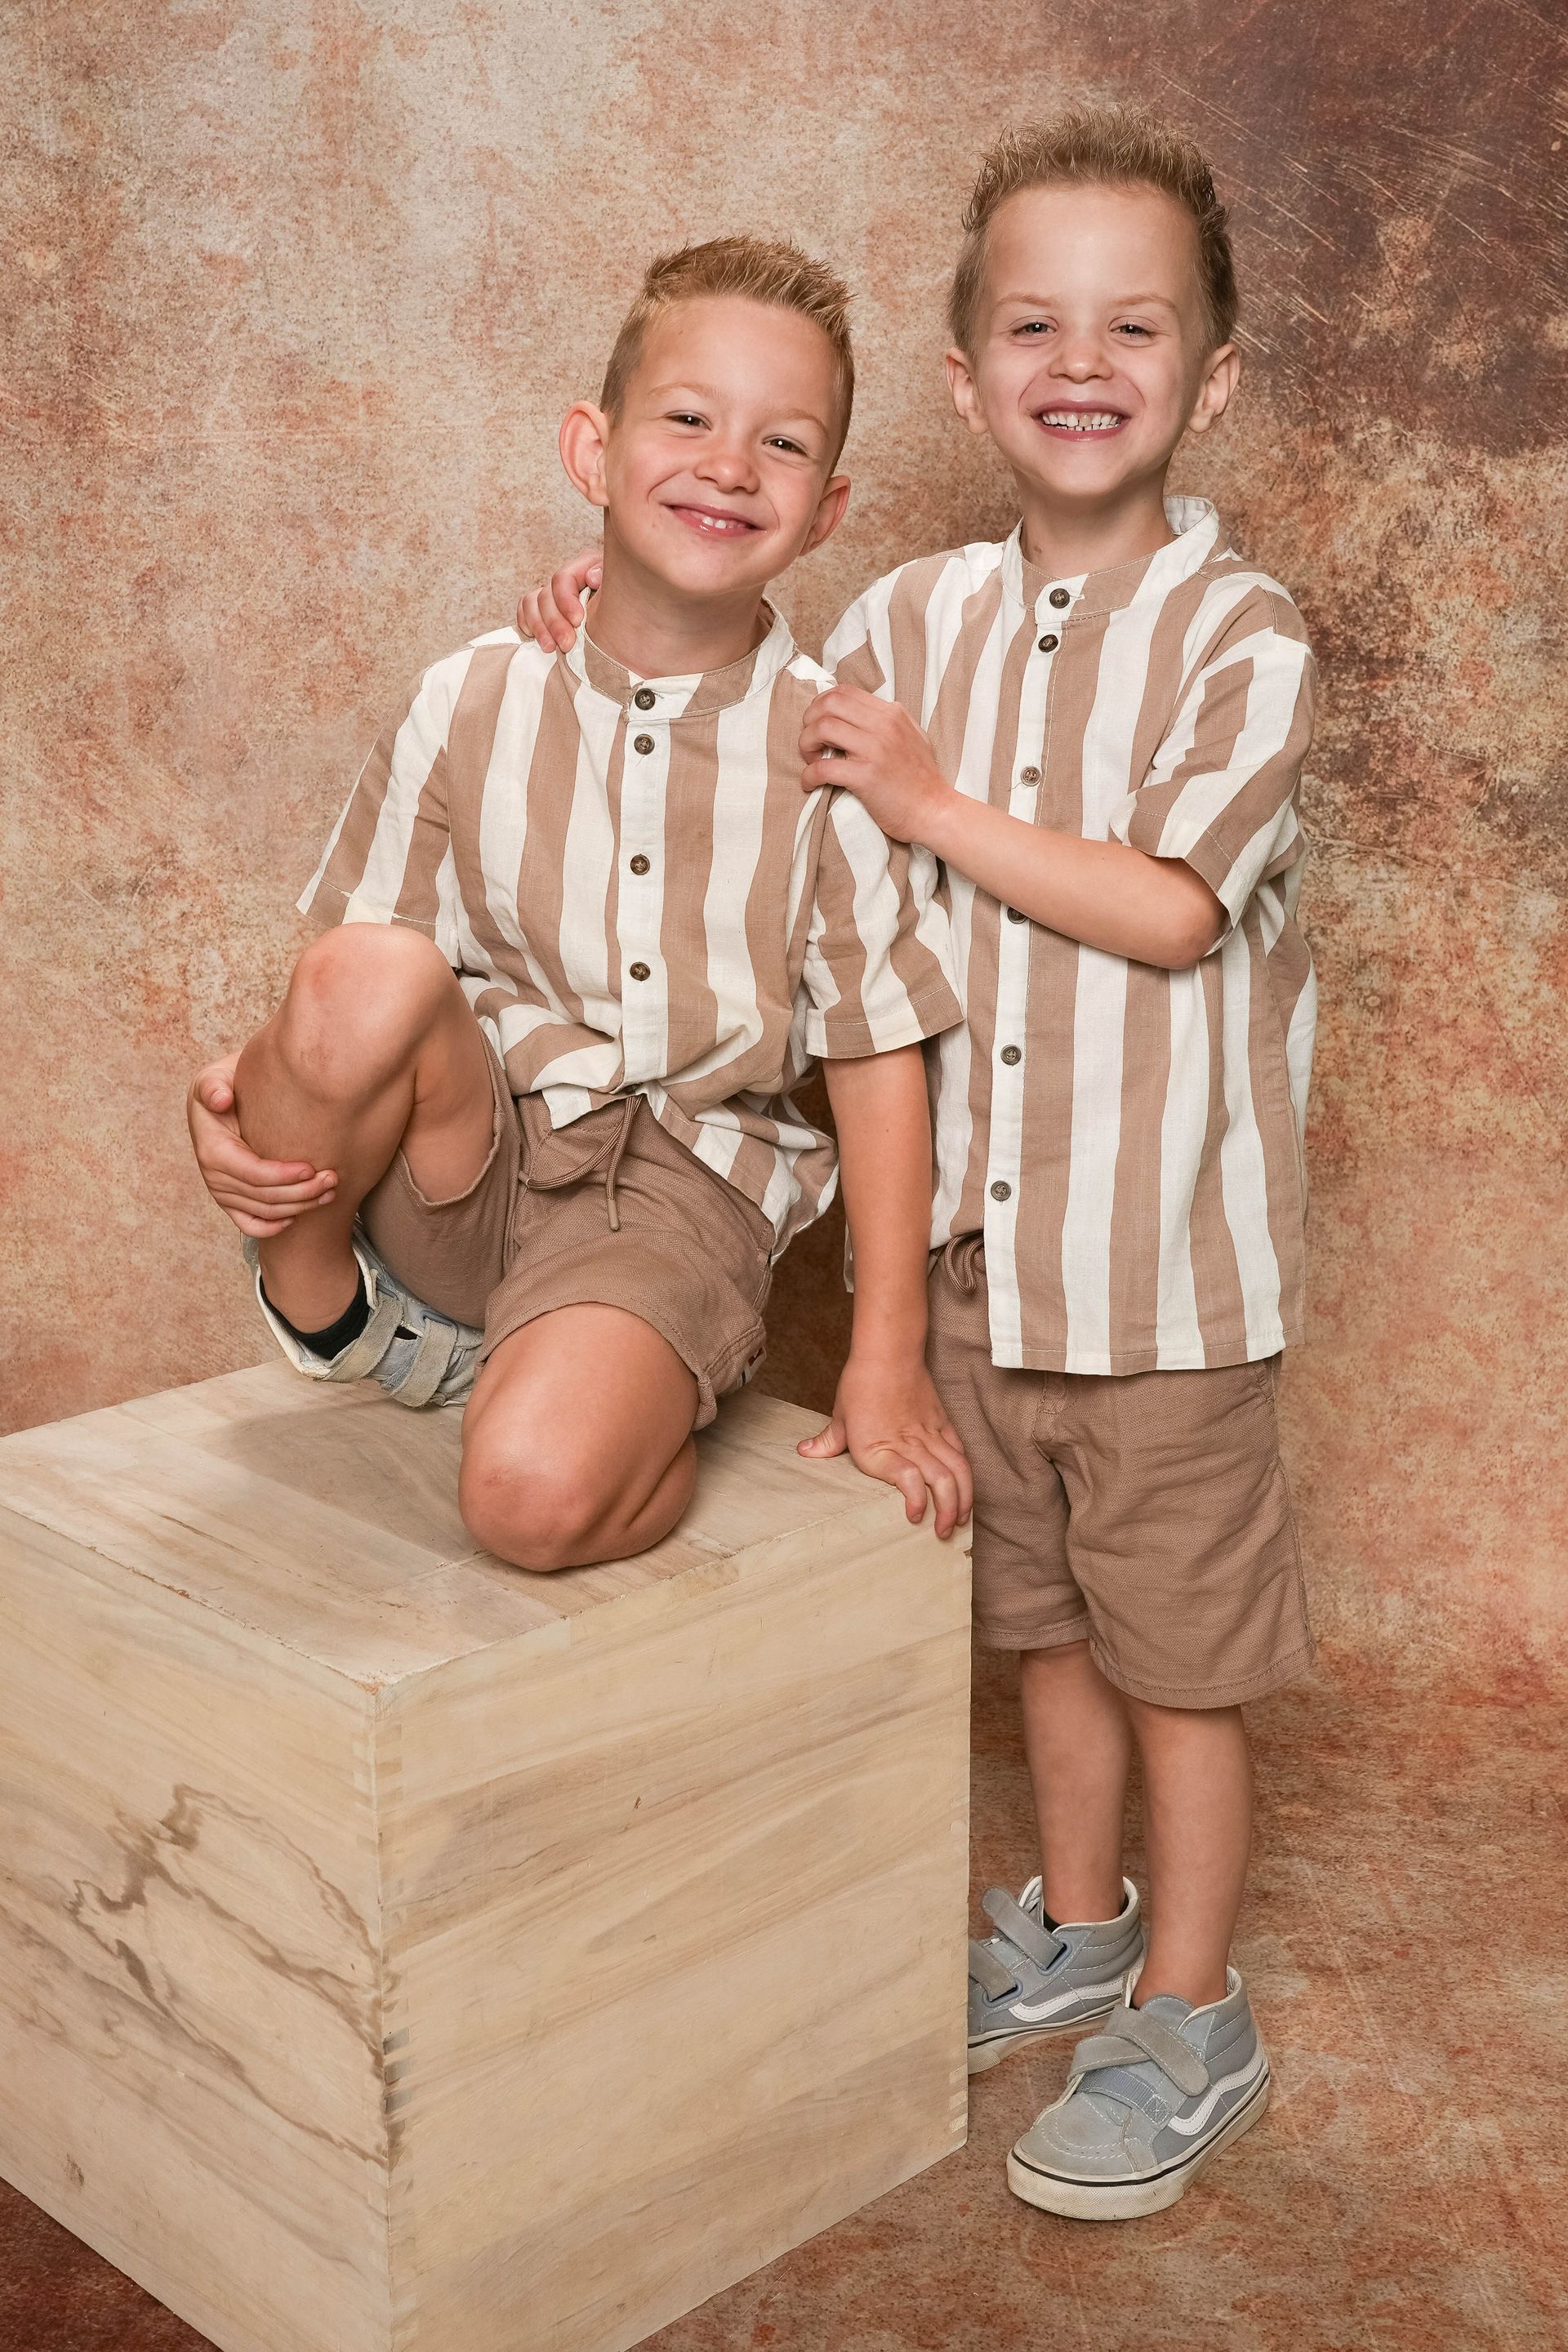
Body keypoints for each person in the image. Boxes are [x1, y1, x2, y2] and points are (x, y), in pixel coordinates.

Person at [518, 108, 1317, 2218]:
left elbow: (1164, 907)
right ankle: (1069, 1931)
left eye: (1133, 326)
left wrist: (942, 807)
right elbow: (730, 684)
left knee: (1178, 1661)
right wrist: (598, 602)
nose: (1084, 358)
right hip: (983, 1261)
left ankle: (1194, 2003)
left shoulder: (1246, 635)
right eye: (1034, 324)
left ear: (1208, 374)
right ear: (968, 384)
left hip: (1167, 1279)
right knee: (1044, 1632)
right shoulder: (925, 613)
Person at [187, 235, 970, 1575]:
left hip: (669, 1195)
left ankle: (581, 1387)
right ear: (592, 454)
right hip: (468, 1151)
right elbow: (348, 979)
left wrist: (887, 1360)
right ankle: (335, 1319)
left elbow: (878, 1058)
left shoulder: (832, 754)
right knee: (357, 977)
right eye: (686, 419)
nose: (729, 465)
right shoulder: (474, 693)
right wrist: (233, 1099)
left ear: (827, 510)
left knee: (529, 1502)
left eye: (781, 445)